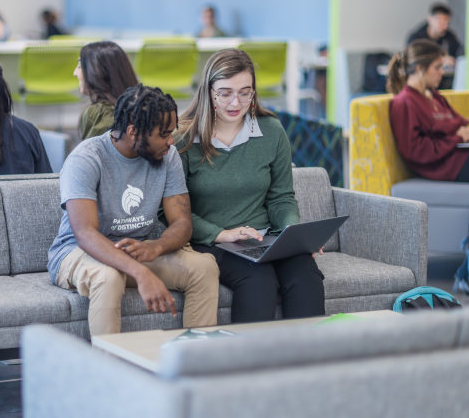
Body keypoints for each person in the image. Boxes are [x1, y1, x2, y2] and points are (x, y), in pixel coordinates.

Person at [48, 84, 219, 336]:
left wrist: (156, 247)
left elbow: (182, 223)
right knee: (108, 278)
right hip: (77, 252)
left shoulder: (167, 156)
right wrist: (140, 273)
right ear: (133, 132)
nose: (171, 141)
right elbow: (85, 234)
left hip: (138, 250)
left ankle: (194, 366)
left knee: (204, 267)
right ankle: (110, 373)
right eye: (163, 134)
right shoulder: (86, 158)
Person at [175, 48, 325, 323]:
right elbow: (173, 214)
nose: (236, 102)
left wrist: (294, 233)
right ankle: (250, 364)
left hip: (264, 238)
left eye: (245, 92)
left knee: (306, 276)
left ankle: (310, 361)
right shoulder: (183, 139)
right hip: (213, 243)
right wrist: (222, 234)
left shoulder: (271, 130)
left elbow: (282, 197)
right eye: (225, 92)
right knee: (259, 282)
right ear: (209, 92)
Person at [387, 39, 469, 182]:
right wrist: (457, 137)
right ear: (420, 69)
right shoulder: (404, 102)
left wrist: (462, 134)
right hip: (446, 167)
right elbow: (414, 150)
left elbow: (458, 124)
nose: (442, 72)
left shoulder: (434, 96)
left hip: (459, 156)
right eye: (437, 67)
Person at [75, 41, 138, 139]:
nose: (75, 73)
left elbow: (89, 154)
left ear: (96, 73)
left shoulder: (99, 114)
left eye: (79, 67)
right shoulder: (141, 108)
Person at [406, 3, 463, 89]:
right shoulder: (416, 38)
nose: (444, 26)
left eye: (447, 22)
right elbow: (412, 60)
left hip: (446, 80)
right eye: (440, 22)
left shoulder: (449, 37)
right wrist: (441, 60)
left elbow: (459, 54)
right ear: (430, 19)